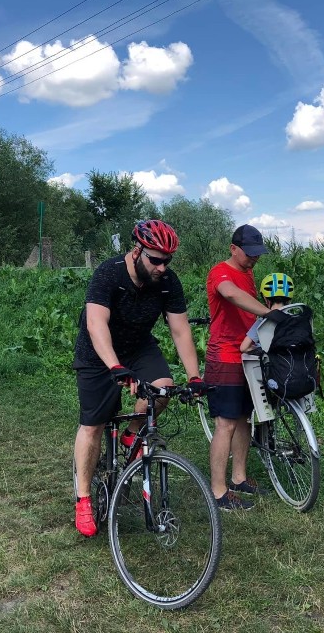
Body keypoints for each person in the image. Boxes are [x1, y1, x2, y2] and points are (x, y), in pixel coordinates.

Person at [72, 219, 206, 537]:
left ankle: (133, 435)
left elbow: (180, 328)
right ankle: (83, 498)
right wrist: (115, 368)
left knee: (163, 391)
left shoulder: (168, 282)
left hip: (139, 347)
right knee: (93, 424)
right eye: (156, 259)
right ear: (137, 251)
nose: (162, 266)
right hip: (97, 351)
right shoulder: (109, 273)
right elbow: (96, 323)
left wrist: (194, 375)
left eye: (167, 260)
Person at [205, 224, 273, 511]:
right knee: (226, 423)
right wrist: (270, 314)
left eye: (257, 255)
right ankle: (218, 492)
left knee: (245, 419)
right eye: (249, 254)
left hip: (248, 355)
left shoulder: (248, 272)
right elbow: (231, 294)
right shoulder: (220, 272)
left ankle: (239, 477)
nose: (253, 259)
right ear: (233, 248)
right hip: (225, 356)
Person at [240, 273, 295, 354]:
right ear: (289, 299)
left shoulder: (262, 321)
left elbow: (244, 348)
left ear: (266, 299)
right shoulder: (296, 320)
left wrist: (263, 350)